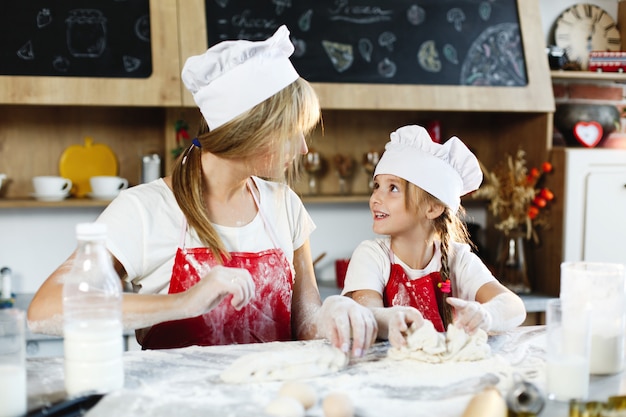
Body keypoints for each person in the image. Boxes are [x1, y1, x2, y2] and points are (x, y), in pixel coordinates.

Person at [27, 25, 377, 357]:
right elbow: (44, 310)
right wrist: (185, 303)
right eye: (293, 131)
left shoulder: (285, 205)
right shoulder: (144, 210)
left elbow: (306, 322)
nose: (302, 148)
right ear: (252, 128)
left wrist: (338, 314)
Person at [341, 125, 526, 348]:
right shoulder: (372, 256)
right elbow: (367, 313)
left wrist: (485, 314)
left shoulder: (458, 259)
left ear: (433, 208)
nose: (375, 198)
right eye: (377, 186)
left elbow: (514, 306)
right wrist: (390, 319)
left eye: (393, 188)